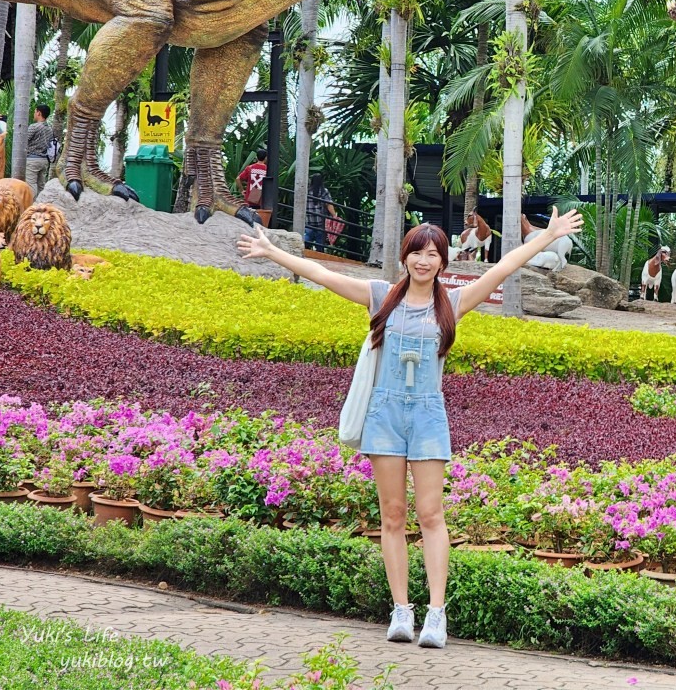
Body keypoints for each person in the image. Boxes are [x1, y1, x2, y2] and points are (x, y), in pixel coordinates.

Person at [236, 206, 584, 648]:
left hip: (427, 414)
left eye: (432, 254)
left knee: (431, 514)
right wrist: (272, 252)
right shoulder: (380, 296)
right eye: (416, 253)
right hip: (385, 413)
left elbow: (504, 266)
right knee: (393, 515)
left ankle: (436, 615)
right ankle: (401, 611)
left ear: (444, 261)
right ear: (405, 258)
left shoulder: (455, 302)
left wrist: (546, 235)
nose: (423, 261)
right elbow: (320, 273)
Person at [24, 104, 53, 196]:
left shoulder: (34, 127)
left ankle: (31, 206)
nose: (34, 114)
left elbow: (23, 141)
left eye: (35, 111)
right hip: (44, 160)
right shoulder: (49, 129)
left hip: (32, 160)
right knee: (41, 185)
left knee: (31, 185)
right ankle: (41, 205)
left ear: (39, 113)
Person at [304, 172, 337, 250]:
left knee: (307, 237)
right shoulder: (324, 191)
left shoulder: (306, 191)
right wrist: (334, 215)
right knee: (320, 241)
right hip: (321, 221)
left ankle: (304, 251)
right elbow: (329, 204)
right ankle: (319, 255)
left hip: (309, 220)